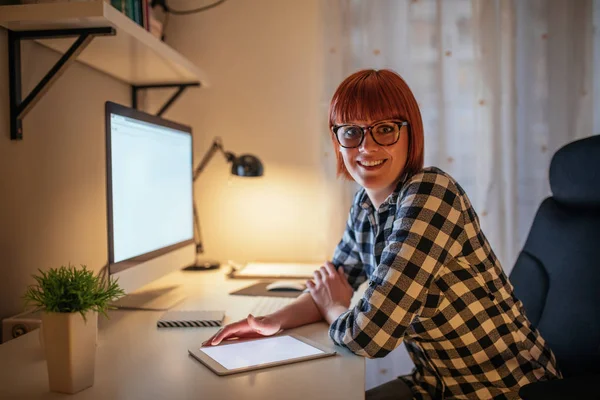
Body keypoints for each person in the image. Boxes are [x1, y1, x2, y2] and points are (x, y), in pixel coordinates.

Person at [203, 69, 561, 399]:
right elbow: (332, 283)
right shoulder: (364, 205)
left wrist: (333, 306)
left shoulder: (432, 194)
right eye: (351, 131)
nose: (367, 147)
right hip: (433, 385)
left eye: (385, 129)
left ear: (411, 133)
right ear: (338, 140)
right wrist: (268, 322)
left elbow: (369, 338)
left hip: (505, 390)